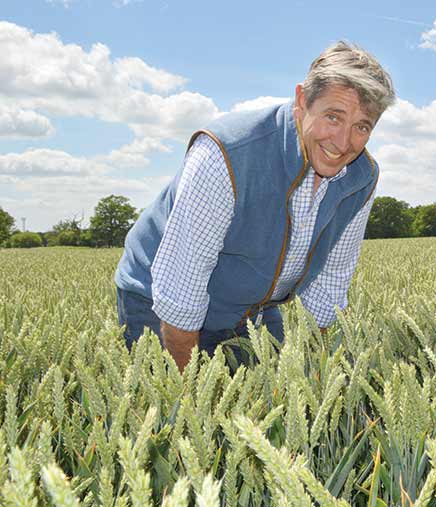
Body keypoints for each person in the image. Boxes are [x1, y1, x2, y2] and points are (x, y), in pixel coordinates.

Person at [114, 41, 395, 371]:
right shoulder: (226, 153)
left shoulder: (361, 177)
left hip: (251, 307)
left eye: (362, 126)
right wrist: (187, 394)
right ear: (302, 102)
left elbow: (329, 285)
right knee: (182, 413)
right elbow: (180, 290)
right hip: (157, 298)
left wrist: (318, 378)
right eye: (333, 117)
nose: (343, 141)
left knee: (274, 396)